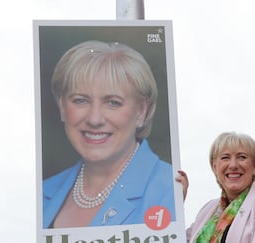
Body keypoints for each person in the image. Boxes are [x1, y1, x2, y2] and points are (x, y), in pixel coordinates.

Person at [42, 40, 175, 228]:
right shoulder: (43, 192)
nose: (95, 119)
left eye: (113, 102)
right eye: (80, 100)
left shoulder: (169, 188)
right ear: (62, 106)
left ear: (141, 111)